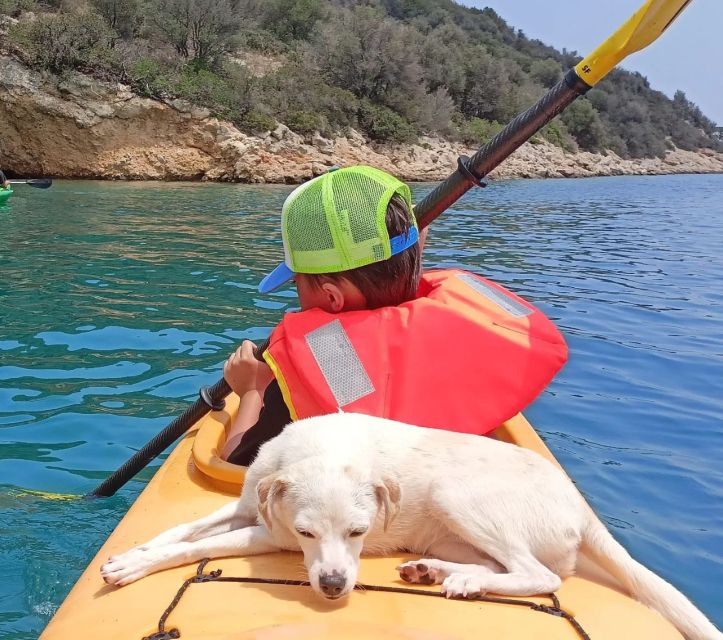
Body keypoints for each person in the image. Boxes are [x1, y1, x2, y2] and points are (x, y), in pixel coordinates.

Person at [222, 165, 568, 466]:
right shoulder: (466, 333)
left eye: (297, 282)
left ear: (331, 297)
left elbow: (237, 465)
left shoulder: (315, 370)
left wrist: (253, 390)